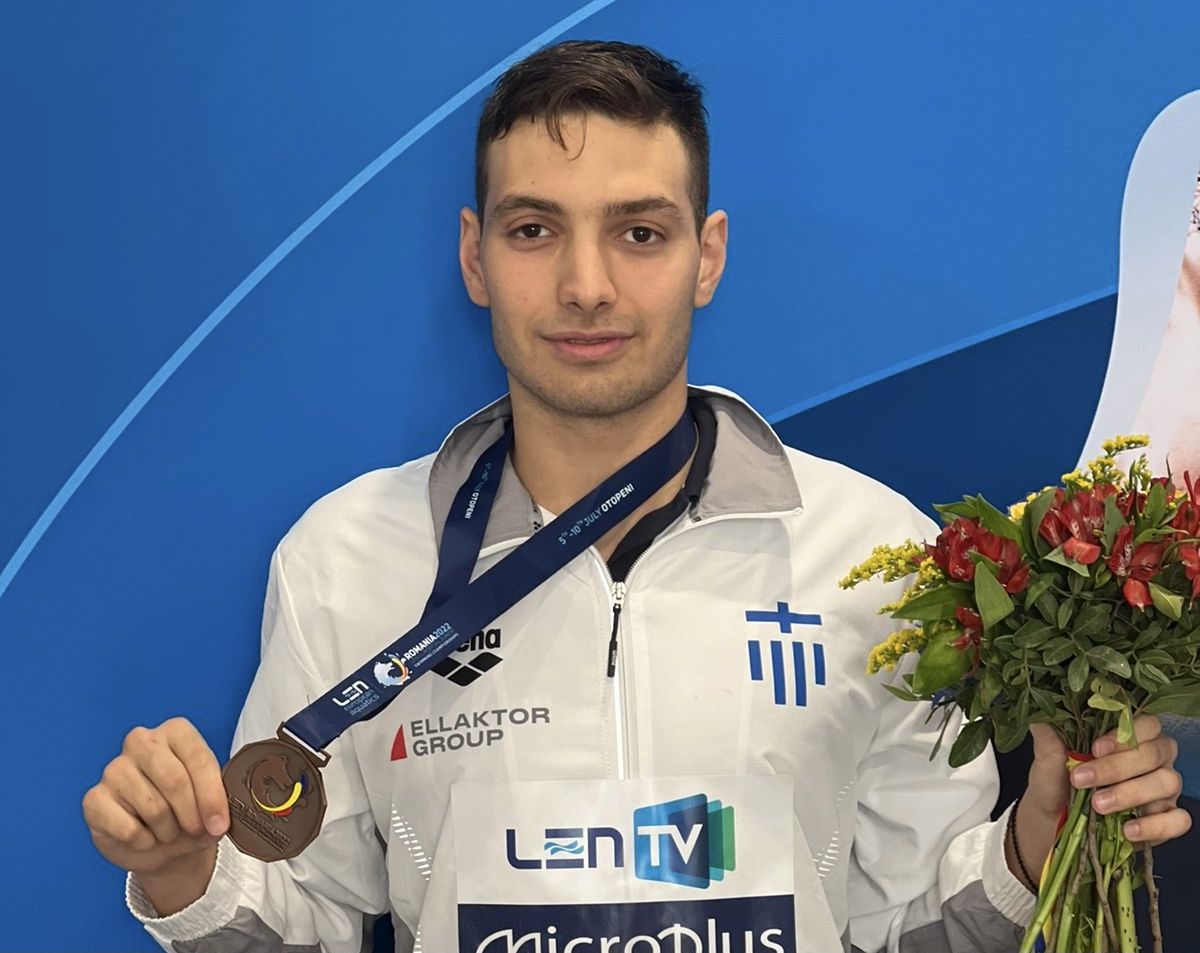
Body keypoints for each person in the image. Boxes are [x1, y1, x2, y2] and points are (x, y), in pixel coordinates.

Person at [82, 40, 1191, 953]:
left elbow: (908, 927)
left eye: (640, 232)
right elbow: (302, 924)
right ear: (474, 256)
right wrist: (184, 873)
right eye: (534, 230)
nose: (586, 285)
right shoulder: (346, 557)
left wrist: (1031, 852)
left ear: (707, 256)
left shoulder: (871, 552)